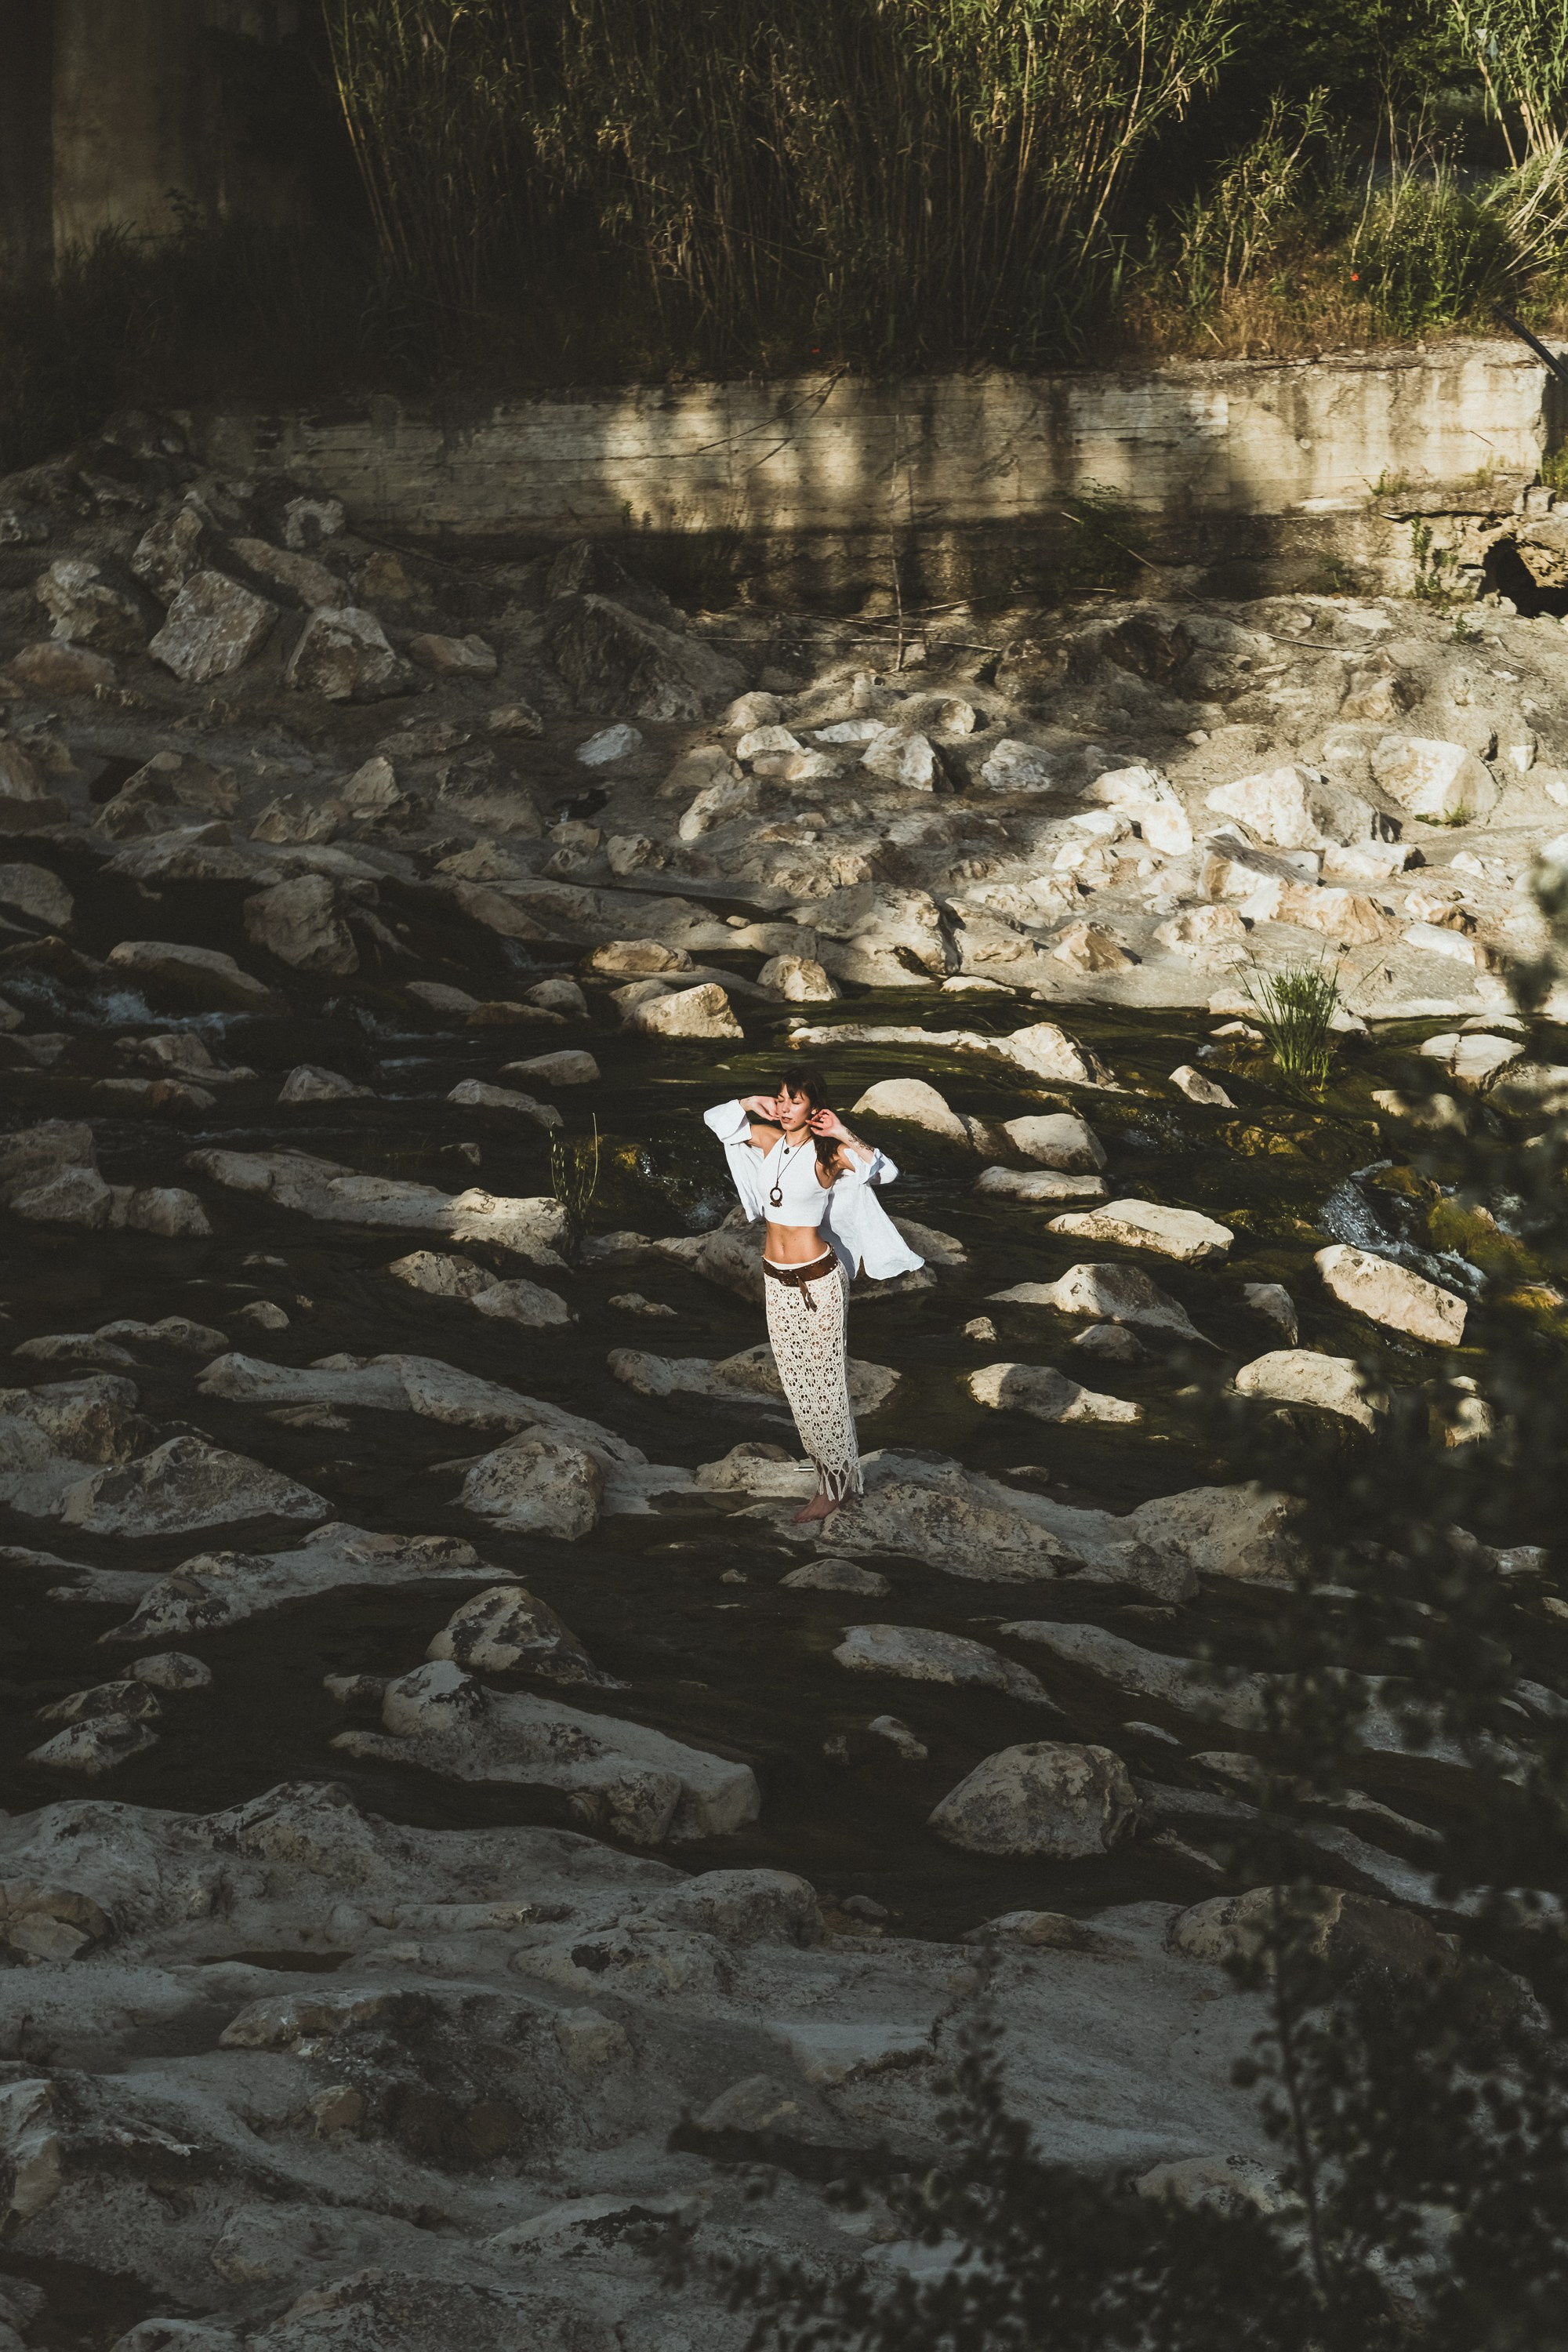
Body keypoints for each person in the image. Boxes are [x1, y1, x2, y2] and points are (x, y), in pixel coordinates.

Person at [703, 1070, 924, 1523]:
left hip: (817, 1283)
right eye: (781, 1099)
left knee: (824, 1387)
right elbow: (716, 1121)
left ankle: (837, 1487)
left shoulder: (829, 1154)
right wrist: (750, 1100)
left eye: (794, 1101)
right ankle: (831, 1474)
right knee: (797, 1386)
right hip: (775, 1279)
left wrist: (843, 1131)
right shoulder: (768, 1142)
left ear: (815, 1108)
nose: (784, 1108)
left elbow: (886, 1172)